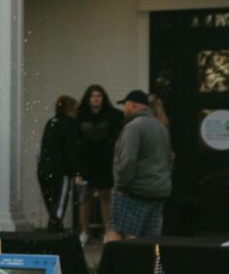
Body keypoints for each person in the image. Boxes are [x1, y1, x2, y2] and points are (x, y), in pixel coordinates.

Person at [106, 90, 174, 241]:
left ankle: (114, 264)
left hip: (134, 191)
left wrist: (121, 185)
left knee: (117, 230)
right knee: (148, 239)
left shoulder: (134, 127)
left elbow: (128, 160)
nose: (123, 109)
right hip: (159, 191)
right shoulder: (161, 127)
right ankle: (145, 265)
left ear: (132, 106)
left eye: (125, 105)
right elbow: (170, 159)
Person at [75, 86, 123, 240]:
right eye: (93, 96)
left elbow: (116, 137)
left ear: (104, 98)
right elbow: (75, 141)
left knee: (105, 195)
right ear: (88, 98)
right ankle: (84, 232)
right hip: (85, 161)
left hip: (105, 160)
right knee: (85, 196)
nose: (96, 98)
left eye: (99, 95)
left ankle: (107, 231)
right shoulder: (80, 115)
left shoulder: (113, 115)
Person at [35, 95, 81, 231]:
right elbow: (71, 150)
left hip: (44, 168)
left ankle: (54, 228)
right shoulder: (70, 125)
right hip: (61, 170)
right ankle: (55, 230)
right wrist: (76, 171)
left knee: (50, 202)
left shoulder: (51, 122)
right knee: (59, 205)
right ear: (71, 109)